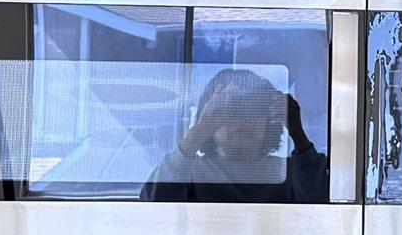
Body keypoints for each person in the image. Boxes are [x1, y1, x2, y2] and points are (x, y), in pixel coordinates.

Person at [140, 68, 328, 203]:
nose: (244, 120)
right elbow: (153, 206)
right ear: (209, 119)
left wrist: (298, 134)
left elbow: (320, 207)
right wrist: (199, 131)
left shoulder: (290, 172)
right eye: (232, 112)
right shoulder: (188, 171)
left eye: (254, 111)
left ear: (270, 121)